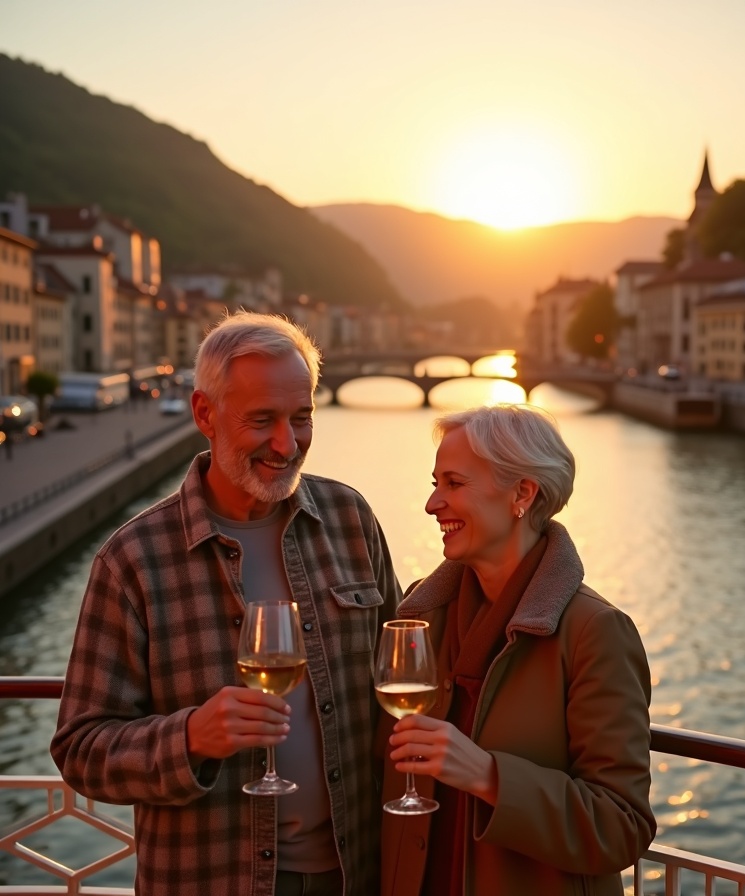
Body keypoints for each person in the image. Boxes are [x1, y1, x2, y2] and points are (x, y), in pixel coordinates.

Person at [51, 311, 403, 896]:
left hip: (356, 872)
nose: (287, 444)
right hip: (213, 882)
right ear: (204, 414)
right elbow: (81, 751)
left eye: (302, 418)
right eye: (262, 420)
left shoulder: (350, 520)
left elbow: (400, 662)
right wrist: (191, 737)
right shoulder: (134, 559)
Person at [379, 404, 656, 896]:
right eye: (435, 482)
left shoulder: (596, 631)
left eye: (454, 484)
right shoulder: (421, 614)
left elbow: (622, 826)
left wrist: (489, 776)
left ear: (522, 494)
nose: (431, 504)